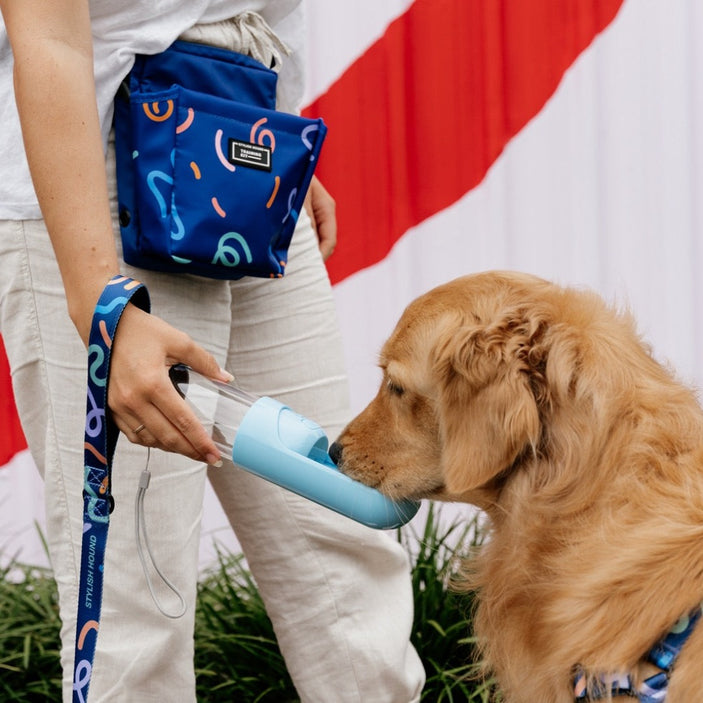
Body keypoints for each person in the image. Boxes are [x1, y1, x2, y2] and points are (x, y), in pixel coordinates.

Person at [0, 2, 425, 701]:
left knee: (344, 538)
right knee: (137, 601)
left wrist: (275, 134)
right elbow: (49, 37)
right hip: (98, 171)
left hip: (232, 145)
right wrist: (103, 300)